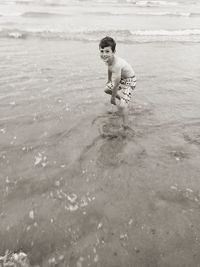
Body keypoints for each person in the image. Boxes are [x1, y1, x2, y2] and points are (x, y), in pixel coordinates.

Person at [99, 36, 136, 130]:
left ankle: (125, 126)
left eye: (107, 51)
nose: (104, 54)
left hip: (129, 80)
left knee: (123, 105)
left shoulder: (117, 64)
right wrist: (108, 79)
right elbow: (109, 68)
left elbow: (116, 85)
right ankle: (122, 99)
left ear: (113, 52)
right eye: (102, 51)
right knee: (106, 89)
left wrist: (112, 98)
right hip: (122, 79)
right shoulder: (108, 59)